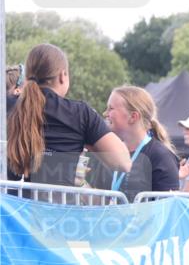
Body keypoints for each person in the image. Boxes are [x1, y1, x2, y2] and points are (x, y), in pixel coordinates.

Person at [6, 43, 130, 185]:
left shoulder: (9, 106)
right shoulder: (81, 113)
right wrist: (91, 143)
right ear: (62, 76)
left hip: (15, 205)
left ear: (27, 76)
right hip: (60, 206)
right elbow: (123, 163)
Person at [89, 86, 180, 201]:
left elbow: (167, 210)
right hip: (112, 219)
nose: (105, 113)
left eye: (111, 108)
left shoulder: (161, 157)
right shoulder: (110, 152)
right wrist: (81, 184)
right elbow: (100, 204)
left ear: (133, 117)